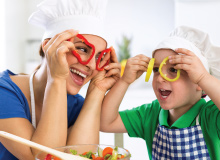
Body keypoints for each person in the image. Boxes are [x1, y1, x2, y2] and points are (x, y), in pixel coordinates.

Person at [0, 0, 121, 159]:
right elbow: (43, 157)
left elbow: (80, 157)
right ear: (48, 45)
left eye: (99, 56)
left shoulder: (79, 106)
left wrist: (97, 91)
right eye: (82, 49)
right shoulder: (4, 91)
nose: (91, 65)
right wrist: (56, 78)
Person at [100, 26, 220, 159]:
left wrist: (204, 78)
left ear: (198, 82)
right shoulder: (151, 114)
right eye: (156, 69)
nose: (160, 77)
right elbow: (105, 122)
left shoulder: (211, 116)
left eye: (173, 70)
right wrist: (124, 81)